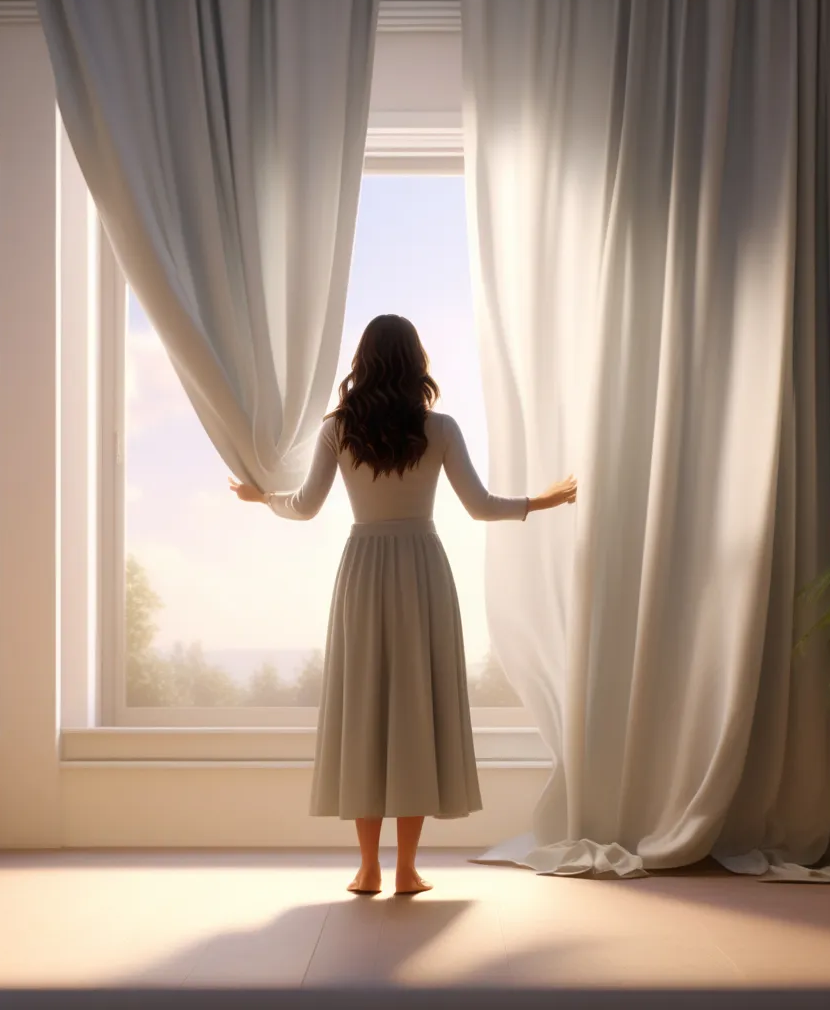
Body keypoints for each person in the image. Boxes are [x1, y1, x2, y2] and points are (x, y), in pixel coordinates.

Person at [229, 314, 577, 895]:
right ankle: (408, 870)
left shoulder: (337, 428)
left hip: (363, 572)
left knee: (365, 709)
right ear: (416, 361)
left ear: (361, 362)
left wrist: (262, 497)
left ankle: (367, 868)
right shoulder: (438, 427)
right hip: (421, 570)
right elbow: (483, 506)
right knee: (415, 710)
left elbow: (307, 505)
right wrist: (543, 501)